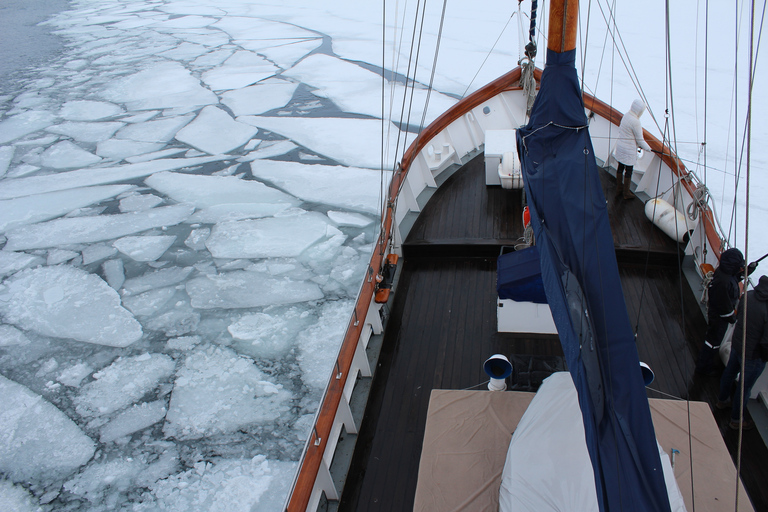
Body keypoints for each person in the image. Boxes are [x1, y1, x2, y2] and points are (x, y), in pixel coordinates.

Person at [716, 274, 768, 430]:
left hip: (737, 346)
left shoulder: (747, 296)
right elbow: (766, 341)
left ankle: (722, 400)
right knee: (744, 388)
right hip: (753, 356)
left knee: (729, 374)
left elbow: (740, 316)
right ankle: (736, 420)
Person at [695, 248, 745, 376]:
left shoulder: (725, 273)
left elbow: (735, 278)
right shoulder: (723, 282)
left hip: (718, 314)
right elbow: (724, 305)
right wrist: (732, 318)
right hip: (719, 317)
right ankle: (703, 367)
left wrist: (749, 269)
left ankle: (705, 363)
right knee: (713, 342)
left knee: (713, 341)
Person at [615, 99, 652, 199]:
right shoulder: (636, 122)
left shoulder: (626, 115)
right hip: (628, 151)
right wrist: (649, 149)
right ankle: (626, 193)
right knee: (629, 171)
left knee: (620, 168)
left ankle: (619, 188)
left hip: (620, 147)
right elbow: (640, 140)